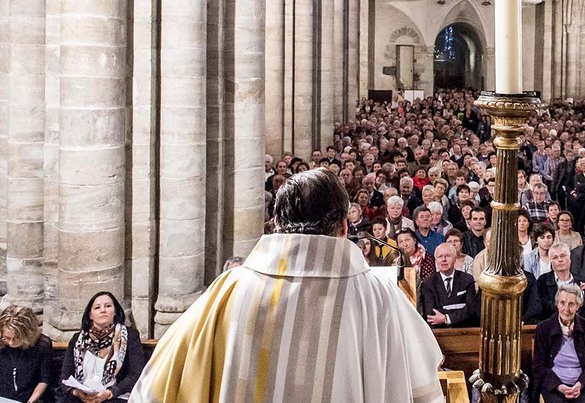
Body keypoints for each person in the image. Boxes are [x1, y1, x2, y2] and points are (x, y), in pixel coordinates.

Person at [130, 168, 445, 403]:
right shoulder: (380, 298)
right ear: (344, 226)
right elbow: (423, 390)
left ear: (277, 224)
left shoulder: (229, 291)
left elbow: (155, 389)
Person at [59, 292, 145, 403]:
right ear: (90, 315)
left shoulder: (130, 336)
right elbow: (65, 377)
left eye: (108, 306)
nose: (103, 310)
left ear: (115, 312)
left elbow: (135, 373)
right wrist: (77, 392)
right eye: (97, 307)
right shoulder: (77, 339)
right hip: (81, 398)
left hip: (115, 397)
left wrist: (111, 392)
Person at [531, 284, 585, 403]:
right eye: (562, 303)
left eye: (571, 304)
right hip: (554, 385)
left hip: (582, 385)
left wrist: (581, 384)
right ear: (557, 304)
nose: (566, 309)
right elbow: (539, 366)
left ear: (578, 306)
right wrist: (559, 386)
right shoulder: (544, 328)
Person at [526, 243, 585, 324]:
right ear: (551, 262)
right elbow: (539, 310)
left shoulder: (582, 281)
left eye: (563, 256)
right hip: (551, 327)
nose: (560, 260)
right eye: (555, 257)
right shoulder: (542, 282)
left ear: (570, 259)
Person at [0, 305, 53, 403]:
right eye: (7, 337)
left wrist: (31, 401)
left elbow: (44, 379)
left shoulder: (42, 345)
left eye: (17, 338)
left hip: (30, 398)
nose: (11, 342)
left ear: (28, 334)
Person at [421, 243, 480, 327]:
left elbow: (471, 310)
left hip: (464, 331)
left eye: (447, 256)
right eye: (440, 256)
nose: (443, 259)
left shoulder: (467, 279)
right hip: (439, 332)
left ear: (455, 259)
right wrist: (459, 311)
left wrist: (446, 318)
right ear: (435, 261)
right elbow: (431, 314)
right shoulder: (428, 283)